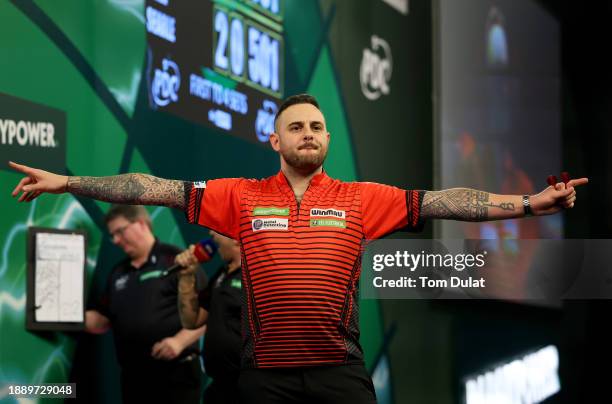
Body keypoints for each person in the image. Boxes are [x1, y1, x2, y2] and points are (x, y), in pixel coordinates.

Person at [9, 94, 587, 404]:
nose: (307, 133)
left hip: (340, 372)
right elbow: (150, 189)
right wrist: (66, 182)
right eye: (296, 126)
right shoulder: (239, 197)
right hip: (265, 379)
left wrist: (529, 206)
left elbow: (444, 201)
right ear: (275, 138)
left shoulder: (363, 198)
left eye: (316, 126)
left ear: (327, 138)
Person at [84, 204, 206, 404]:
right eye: (112, 235)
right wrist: (64, 314)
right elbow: (101, 320)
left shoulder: (176, 260)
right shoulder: (118, 273)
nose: (116, 240)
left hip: (176, 375)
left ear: (141, 224)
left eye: (120, 232)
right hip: (134, 378)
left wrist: (178, 342)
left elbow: (206, 311)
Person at [175, 230, 242, 404]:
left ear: (236, 237)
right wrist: (186, 276)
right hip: (220, 386)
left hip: (250, 386)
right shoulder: (222, 274)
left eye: (217, 228)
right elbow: (192, 320)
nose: (211, 233)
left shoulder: (263, 273)